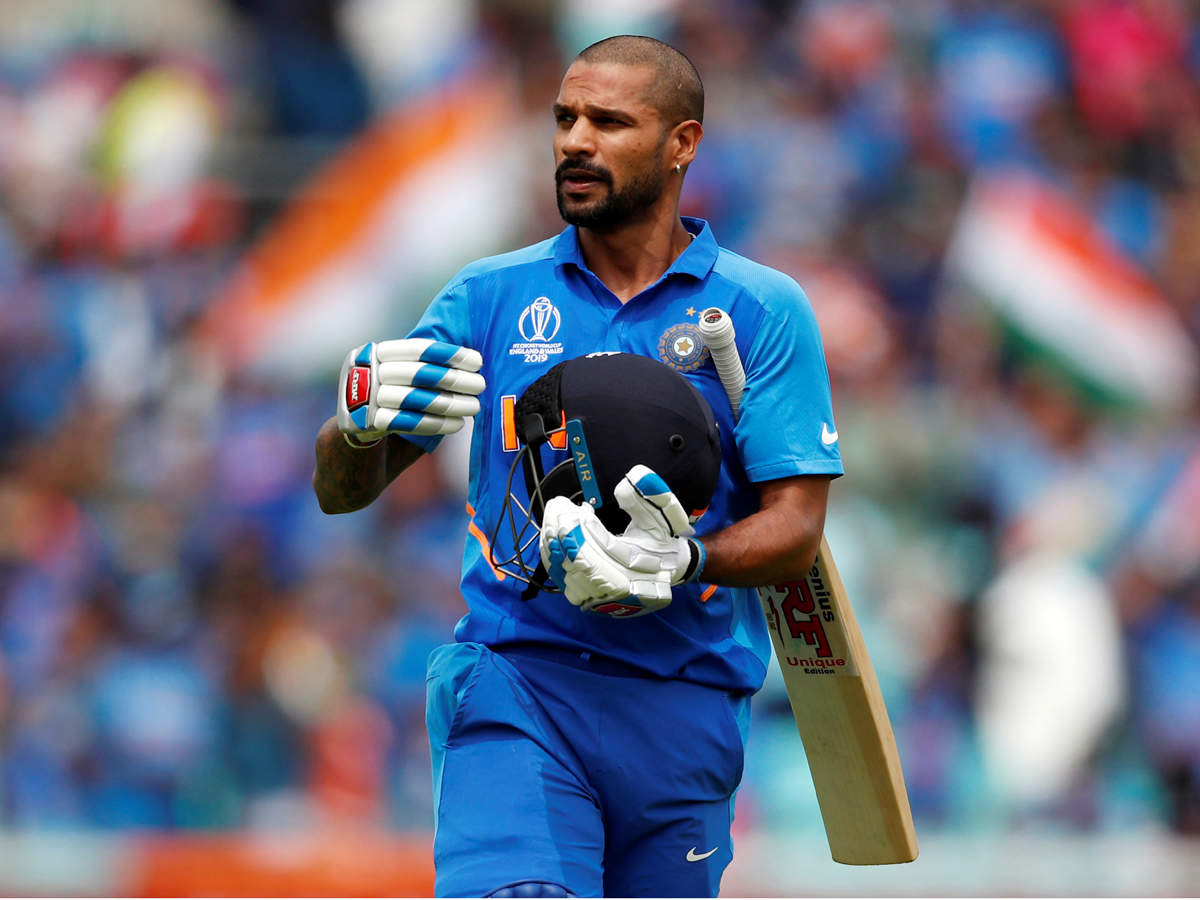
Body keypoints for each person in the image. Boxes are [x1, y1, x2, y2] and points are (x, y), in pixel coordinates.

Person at [313, 34, 842, 898]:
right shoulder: (488, 296)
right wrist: (355, 429)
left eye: (609, 122)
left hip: (682, 708)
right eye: (565, 119)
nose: (576, 141)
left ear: (682, 143)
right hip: (519, 685)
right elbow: (342, 494)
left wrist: (683, 560)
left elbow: (797, 530)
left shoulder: (761, 309)